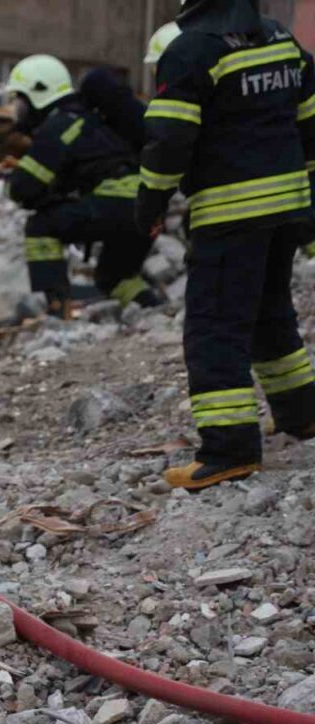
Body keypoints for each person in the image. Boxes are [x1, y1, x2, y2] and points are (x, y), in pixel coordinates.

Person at [136, 0, 315, 489]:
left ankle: (229, 448)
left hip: (231, 214)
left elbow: (169, 139)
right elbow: (309, 122)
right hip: (286, 208)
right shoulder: (280, 40)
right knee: (268, 313)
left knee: (215, 328)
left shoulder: (192, 52)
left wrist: (150, 203)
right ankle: (301, 412)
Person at [6, 54, 167, 318]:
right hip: (149, 208)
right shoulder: (87, 119)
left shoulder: (59, 125)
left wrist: (7, 185)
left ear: (38, 93)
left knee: (40, 226)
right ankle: (157, 313)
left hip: (120, 203)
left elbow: (23, 188)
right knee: (114, 277)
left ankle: (57, 311)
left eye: (19, 99)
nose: (16, 109)